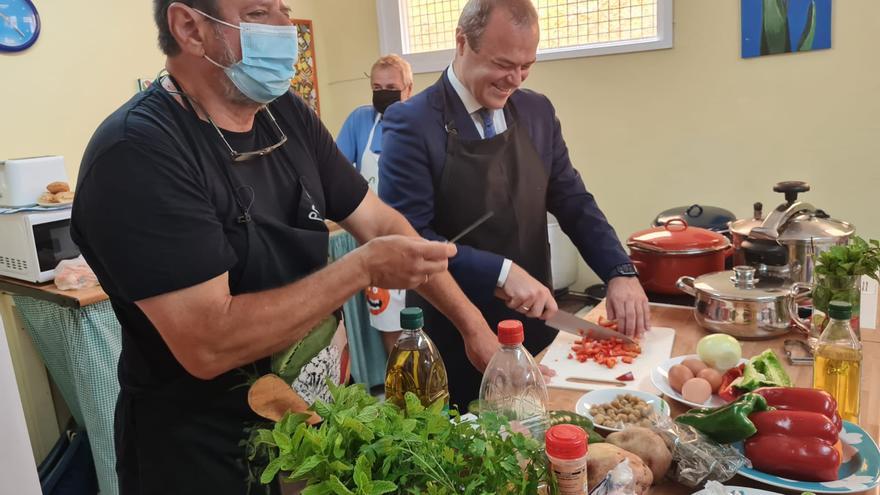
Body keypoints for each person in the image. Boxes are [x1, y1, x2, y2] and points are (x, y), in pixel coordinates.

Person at [71, 1, 498, 494]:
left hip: (313, 435)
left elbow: (380, 221)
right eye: (258, 13)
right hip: (206, 458)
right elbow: (208, 344)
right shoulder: (138, 154)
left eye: (284, 10)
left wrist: (474, 329)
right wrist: (359, 269)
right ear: (190, 27)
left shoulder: (285, 114)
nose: (284, 30)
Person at [379, 0, 651, 407]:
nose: (515, 80)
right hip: (455, 334)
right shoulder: (411, 123)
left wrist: (619, 270)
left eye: (527, 66)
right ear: (461, 43)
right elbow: (412, 239)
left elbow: (573, 199)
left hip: (535, 324)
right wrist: (502, 272)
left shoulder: (536, 111)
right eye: (504, 63)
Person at [337, 54, 414, 354]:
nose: (383, 93)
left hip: (418, 236)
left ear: (408, 88)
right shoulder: (360, 120)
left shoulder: (422, 122)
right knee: (389, 324)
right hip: (378, 242)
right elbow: (336, 173)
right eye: (377, 86)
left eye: (391, 87)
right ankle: (397, 390)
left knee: (427, 319)